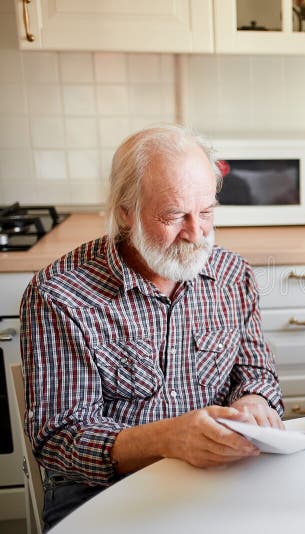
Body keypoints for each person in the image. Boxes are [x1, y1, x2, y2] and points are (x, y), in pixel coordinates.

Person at [20, 124, 284, 531]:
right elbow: (59, 439)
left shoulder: (233, 275)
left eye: (207, 212)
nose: (196, 233)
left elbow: (255, 372)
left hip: (216, 475)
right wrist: (165, 439)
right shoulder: (60, 294)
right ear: (126, 211)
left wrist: (254, 401)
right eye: (174, 215)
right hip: (101, 490)